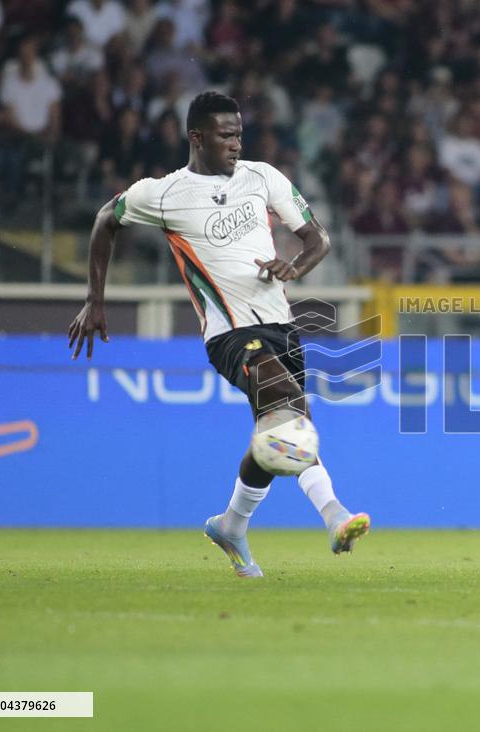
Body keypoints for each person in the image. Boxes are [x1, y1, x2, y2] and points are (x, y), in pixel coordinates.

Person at [68, 90, 370, 578]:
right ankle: (334, 515)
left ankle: (231, 524)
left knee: (274, 435)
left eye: (239, 134)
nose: (235, 143)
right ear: (197, 138)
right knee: (292, 410)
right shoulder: (162, 193)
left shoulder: (263, 177)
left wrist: (292, 265)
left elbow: (319, 238)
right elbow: (106, 220)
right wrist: (94, 299)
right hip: (229, 332)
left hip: (281, 326)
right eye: (225, 135)